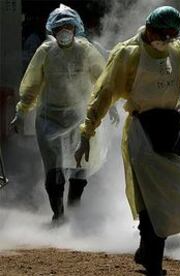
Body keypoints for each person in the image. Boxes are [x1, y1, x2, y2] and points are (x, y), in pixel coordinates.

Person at [75, 6, 180, 276]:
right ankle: (153, 263)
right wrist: (87, 132)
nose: (165, 40)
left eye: (171, 35)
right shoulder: (128, 54)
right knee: (153, 202)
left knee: (175, 197)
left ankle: (146, 252)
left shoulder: (176, 51)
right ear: (149, 27)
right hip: (143, 132)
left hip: (173, 130)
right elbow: (104, 93)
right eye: (161, 34)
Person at [10, 4, 110, 224]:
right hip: (50, 117)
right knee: (54, 166)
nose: (64, 31)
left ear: (76, 28)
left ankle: (75, 212)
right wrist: (22, 110)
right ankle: (59, 215)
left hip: (79, 115)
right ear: (52, 31)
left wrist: (108, 105)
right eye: (59, 28)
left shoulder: (86, 50)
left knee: (80, 164)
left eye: (68, 26)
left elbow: (102, 80)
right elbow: (31, 86)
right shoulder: (45, 52)